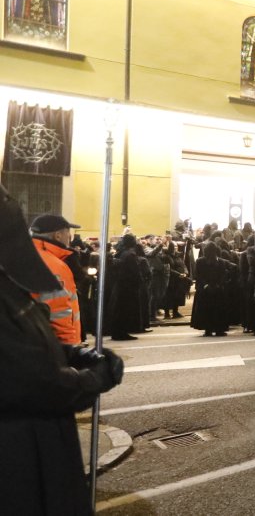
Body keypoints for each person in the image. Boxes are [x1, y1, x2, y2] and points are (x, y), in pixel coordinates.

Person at [0, 184, 124, 515]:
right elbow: (34, 383)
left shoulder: (11, 278)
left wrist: (69, 353)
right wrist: (95, 378)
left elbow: (29, 342)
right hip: (20, 457)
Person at [28, 214, 83, 345]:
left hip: (27, 341)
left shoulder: (24, 255)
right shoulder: (54, 266)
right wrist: (70, 349)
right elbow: (59, 314)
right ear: (58, 235)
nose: (69, 238)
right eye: (68, 233)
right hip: (50, 346)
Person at [192, 242, 233, 337]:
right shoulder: (221, 262)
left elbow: (198, 276)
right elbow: (223, 276)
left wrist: (206, 285)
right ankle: (219, 329)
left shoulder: (199, 261)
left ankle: (208, 329)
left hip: (204, 290)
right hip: (218, 290)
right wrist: (218, 285)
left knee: (206, 310)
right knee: (218, 310)